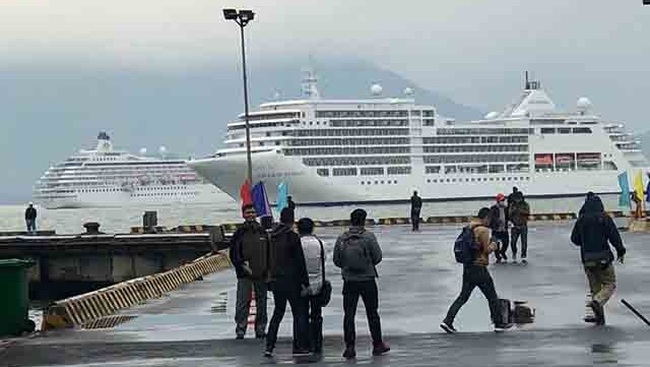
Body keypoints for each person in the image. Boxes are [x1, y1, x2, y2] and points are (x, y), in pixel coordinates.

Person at [440, 207, 510, 333]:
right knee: (492, 297)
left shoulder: (470, 227)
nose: (490, 221)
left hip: (468, 267)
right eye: (490, 218)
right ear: (486, 217)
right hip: (479, 268)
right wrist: (494, 243)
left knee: (463, 297)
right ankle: (499, 323)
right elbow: (486, 250)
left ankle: (447, 321)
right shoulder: (483, 230)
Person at [333, 208, 390, 360]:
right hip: (367, 280)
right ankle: (378, 344)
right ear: (364, 220)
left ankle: (350, 347)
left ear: (351, 220)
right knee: (372, 313)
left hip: (349, 281)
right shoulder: (369, 237)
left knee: (349, 315)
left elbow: (336, 261)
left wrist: (347, 268)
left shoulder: (342, 238)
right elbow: (377, 257)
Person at [571, 194, 626, 325]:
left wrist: (585, 241)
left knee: (595, 289)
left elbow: (574, 239)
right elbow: (614, 236)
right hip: (603, 258)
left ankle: (599, 317)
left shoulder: (581, 220)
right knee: (610, 284)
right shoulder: (604, 218)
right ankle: (597, 302)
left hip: (587, 259)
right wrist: (621, 250)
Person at [265, 208, 310, 357]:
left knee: (278, 313)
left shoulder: (272, 236)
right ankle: (299, 346)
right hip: (292, 281)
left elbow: (268, 259)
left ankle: (269, 346)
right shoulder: (292, 237)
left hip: (277, 280)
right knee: (298, 313)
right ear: (292, 220)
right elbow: (300, 262)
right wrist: (305, 283)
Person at [229, 203, 271, 340]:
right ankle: (241, 329)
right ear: (243, 215)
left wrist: (269, 270)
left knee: (262, 302)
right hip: (244, 274)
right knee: (243, 302)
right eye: (248, 213)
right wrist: (242, 266)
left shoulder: (262, 231)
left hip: (262, 273)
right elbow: (233, 254)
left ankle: (261, 329)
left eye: (253, 212)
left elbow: (270, 252)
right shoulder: (239, 233)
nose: (251, 215)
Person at [297, 217, 326, 356]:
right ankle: (317, 342)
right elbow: (323, 261)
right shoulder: (319, 243)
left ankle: (303, 344)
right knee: (316, 315)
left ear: (298, 229)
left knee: (302, 314)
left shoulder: (297, 243)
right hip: (318, 284)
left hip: (301, 285)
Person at [508, 193, 530, 264]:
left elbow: (528, 212)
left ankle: (523, 256)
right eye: (516, 199)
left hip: (523, 225)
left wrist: (520, 210)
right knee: (513, 242)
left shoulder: (525, 204)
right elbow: (509, 214)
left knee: (524, 242)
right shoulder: (512, 205)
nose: (517, 200)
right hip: (514, 226)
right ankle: (514, 253)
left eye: (518, 199)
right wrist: (513, 210)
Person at [488, 193, 509, 263]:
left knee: (506, 242)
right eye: (501, 200)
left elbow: (508, 217)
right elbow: (491, 217)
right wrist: (497, 220)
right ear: (498, 201)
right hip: (496, 229)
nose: (503, 201)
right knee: (495, 244)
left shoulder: (506, 208)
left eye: (503, 200)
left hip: (504, 229)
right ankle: (498, 257)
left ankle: (502, 252)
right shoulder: (493, 208)